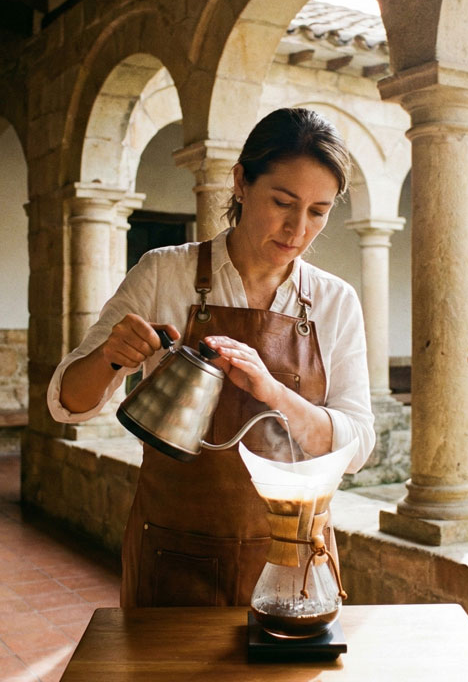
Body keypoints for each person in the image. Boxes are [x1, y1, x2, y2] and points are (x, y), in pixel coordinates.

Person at [47, 107, 375, 608]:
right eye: (283, 202)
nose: (297, 229)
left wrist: (273, 391)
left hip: (292, 565)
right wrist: (111, 357)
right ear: (241, 181)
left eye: (318, 211)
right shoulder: (163, 274)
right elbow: (68, 402)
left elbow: (357, 447)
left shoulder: (334, 302)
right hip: (172, 555)